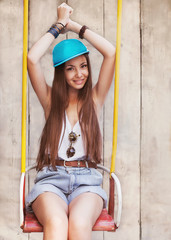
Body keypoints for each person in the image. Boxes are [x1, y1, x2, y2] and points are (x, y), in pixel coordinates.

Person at [26, 2, 115, 240]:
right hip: (51, 180)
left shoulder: (95, 100)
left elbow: (111, 51)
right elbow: (32, 58)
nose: (80, 74)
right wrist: (58, 25)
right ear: (61, 73)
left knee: (78, 223)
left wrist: (74, 26)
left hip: (87, 182)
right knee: (56, 223)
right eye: (70, 69)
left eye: (83, 66)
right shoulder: (49, 101)